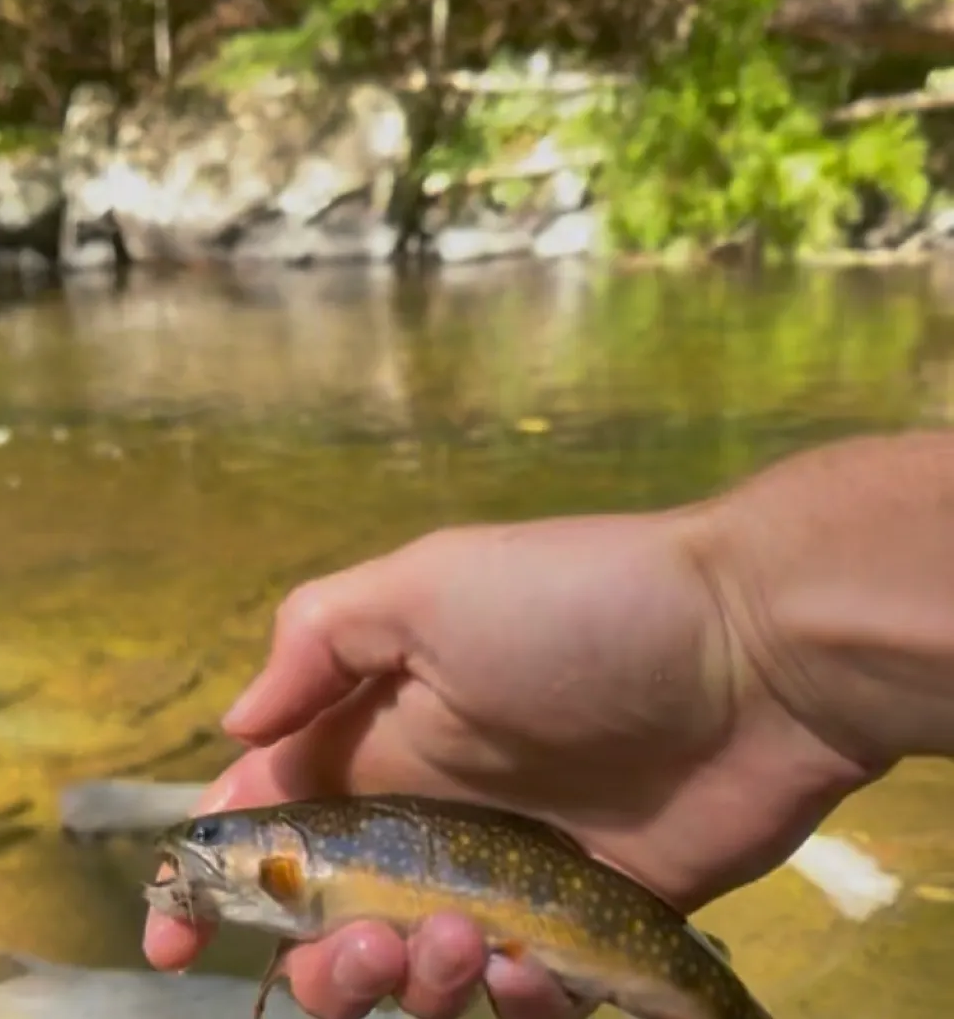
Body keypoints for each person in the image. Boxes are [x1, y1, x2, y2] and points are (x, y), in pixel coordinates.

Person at [141, 431, 954, 1019]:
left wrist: (747, 634)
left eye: (214, 846)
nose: (196, 857)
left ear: (287, 855)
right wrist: (745, 634)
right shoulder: (293, 877)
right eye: (206, 847)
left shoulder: (305, 864)